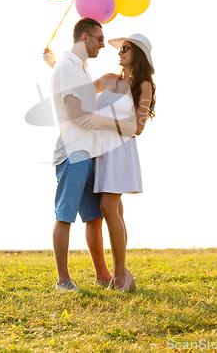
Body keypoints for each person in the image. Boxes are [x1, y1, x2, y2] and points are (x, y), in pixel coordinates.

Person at [80, 33, 156, 292]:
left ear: (139, 54)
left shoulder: (143, 84)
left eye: (126, 48)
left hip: (121, 151)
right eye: (120, 48)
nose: (119, 51)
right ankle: (124, 275)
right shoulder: (110, 79)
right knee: (116, 211)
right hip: (101, 151)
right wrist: (56, 62)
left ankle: (121, 275)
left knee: (108, 207)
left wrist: (103, 122)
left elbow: (137, 127)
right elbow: (79, 88)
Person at [47, 17, 112, 293]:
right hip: (73, 153)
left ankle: (103, 276)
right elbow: (74, 114)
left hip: (90, 152)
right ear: (84, 38)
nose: (103, 44)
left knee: (94, 216)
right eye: (99, 38)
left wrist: (100, 84)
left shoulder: (79, 69)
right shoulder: (66, 68)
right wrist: (114, 124)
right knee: (65, 216)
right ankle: (63, 281)